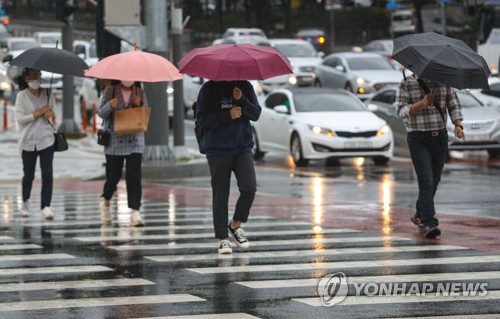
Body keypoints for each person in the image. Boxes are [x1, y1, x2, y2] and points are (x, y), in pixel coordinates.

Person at [196, 80, 261, 254]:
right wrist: (228, 115)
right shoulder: (209, 89)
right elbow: (202, 118)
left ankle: (235, 224)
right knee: (220, 194)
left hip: (242, 147)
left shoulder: (245, 86)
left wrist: (243, 101)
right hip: (217, 149)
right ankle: (222, 238)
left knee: (249, 188)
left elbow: (255, 114)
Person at [395, 75, 464, 238]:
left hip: (439, 137)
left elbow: (453, 105)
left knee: (435, 179)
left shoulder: (444, 81)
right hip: (417, 138)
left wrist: (458, 125)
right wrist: (422, 103)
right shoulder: (407, 83)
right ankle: (428, 222)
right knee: (426, 179)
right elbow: (401, 111)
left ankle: (420, 212)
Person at [97, 80, 146, 227]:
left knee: (134, 176)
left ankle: (135, 212)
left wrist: (140, 105)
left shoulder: (139, 91)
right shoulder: (110, 90)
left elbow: (145, 114)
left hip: (135, 139)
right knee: (113, 177)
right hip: (114, 140)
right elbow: (100, 113)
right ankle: (106, 203)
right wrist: (110, 106)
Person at [14, 67, 56, 220]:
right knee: (28, 175)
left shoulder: (48, 93)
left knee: (47, 174)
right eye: (32, 77)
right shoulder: (21, 97)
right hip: (28, 141)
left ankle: (46, 206)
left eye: (38, 76)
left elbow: (53, 113)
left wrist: (49, 113)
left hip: (46, 140)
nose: (36, 79)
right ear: (26, 79)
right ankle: (25, 201)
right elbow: (20, 119)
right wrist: (37, 113)